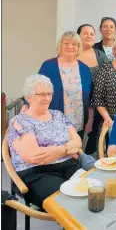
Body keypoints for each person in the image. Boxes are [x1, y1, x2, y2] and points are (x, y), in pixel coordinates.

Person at [7, 75, 82, 209]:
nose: (47, 98)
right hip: (37, 174)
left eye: (49, 94)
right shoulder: (20, 121)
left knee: (94, 192)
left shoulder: (58, 115)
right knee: (69, 203)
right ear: (28, 97)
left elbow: (77, 142)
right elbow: (35, 157)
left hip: (69, 166)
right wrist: (68, 150)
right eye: (41, 94)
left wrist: (60, 150)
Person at [21, 31, 92, 139]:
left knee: (75, 153)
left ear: (79, 47)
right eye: (66, 43)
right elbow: (36, 86)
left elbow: (90, 97)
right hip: (52, 122)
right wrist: (26, 104)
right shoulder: (49, 66)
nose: (70, 47)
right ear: (60, 45)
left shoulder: (85, 69)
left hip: (78, 124)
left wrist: (90, 121)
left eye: (74, 44)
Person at [77, 24, 109, 154]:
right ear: (78, 35)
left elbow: (108, 75)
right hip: (76, 104)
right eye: (85, 33)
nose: (89, 36)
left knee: (93, 138)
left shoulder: (100, 55)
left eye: (92, 34)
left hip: (97, 104)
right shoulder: (72, 52)